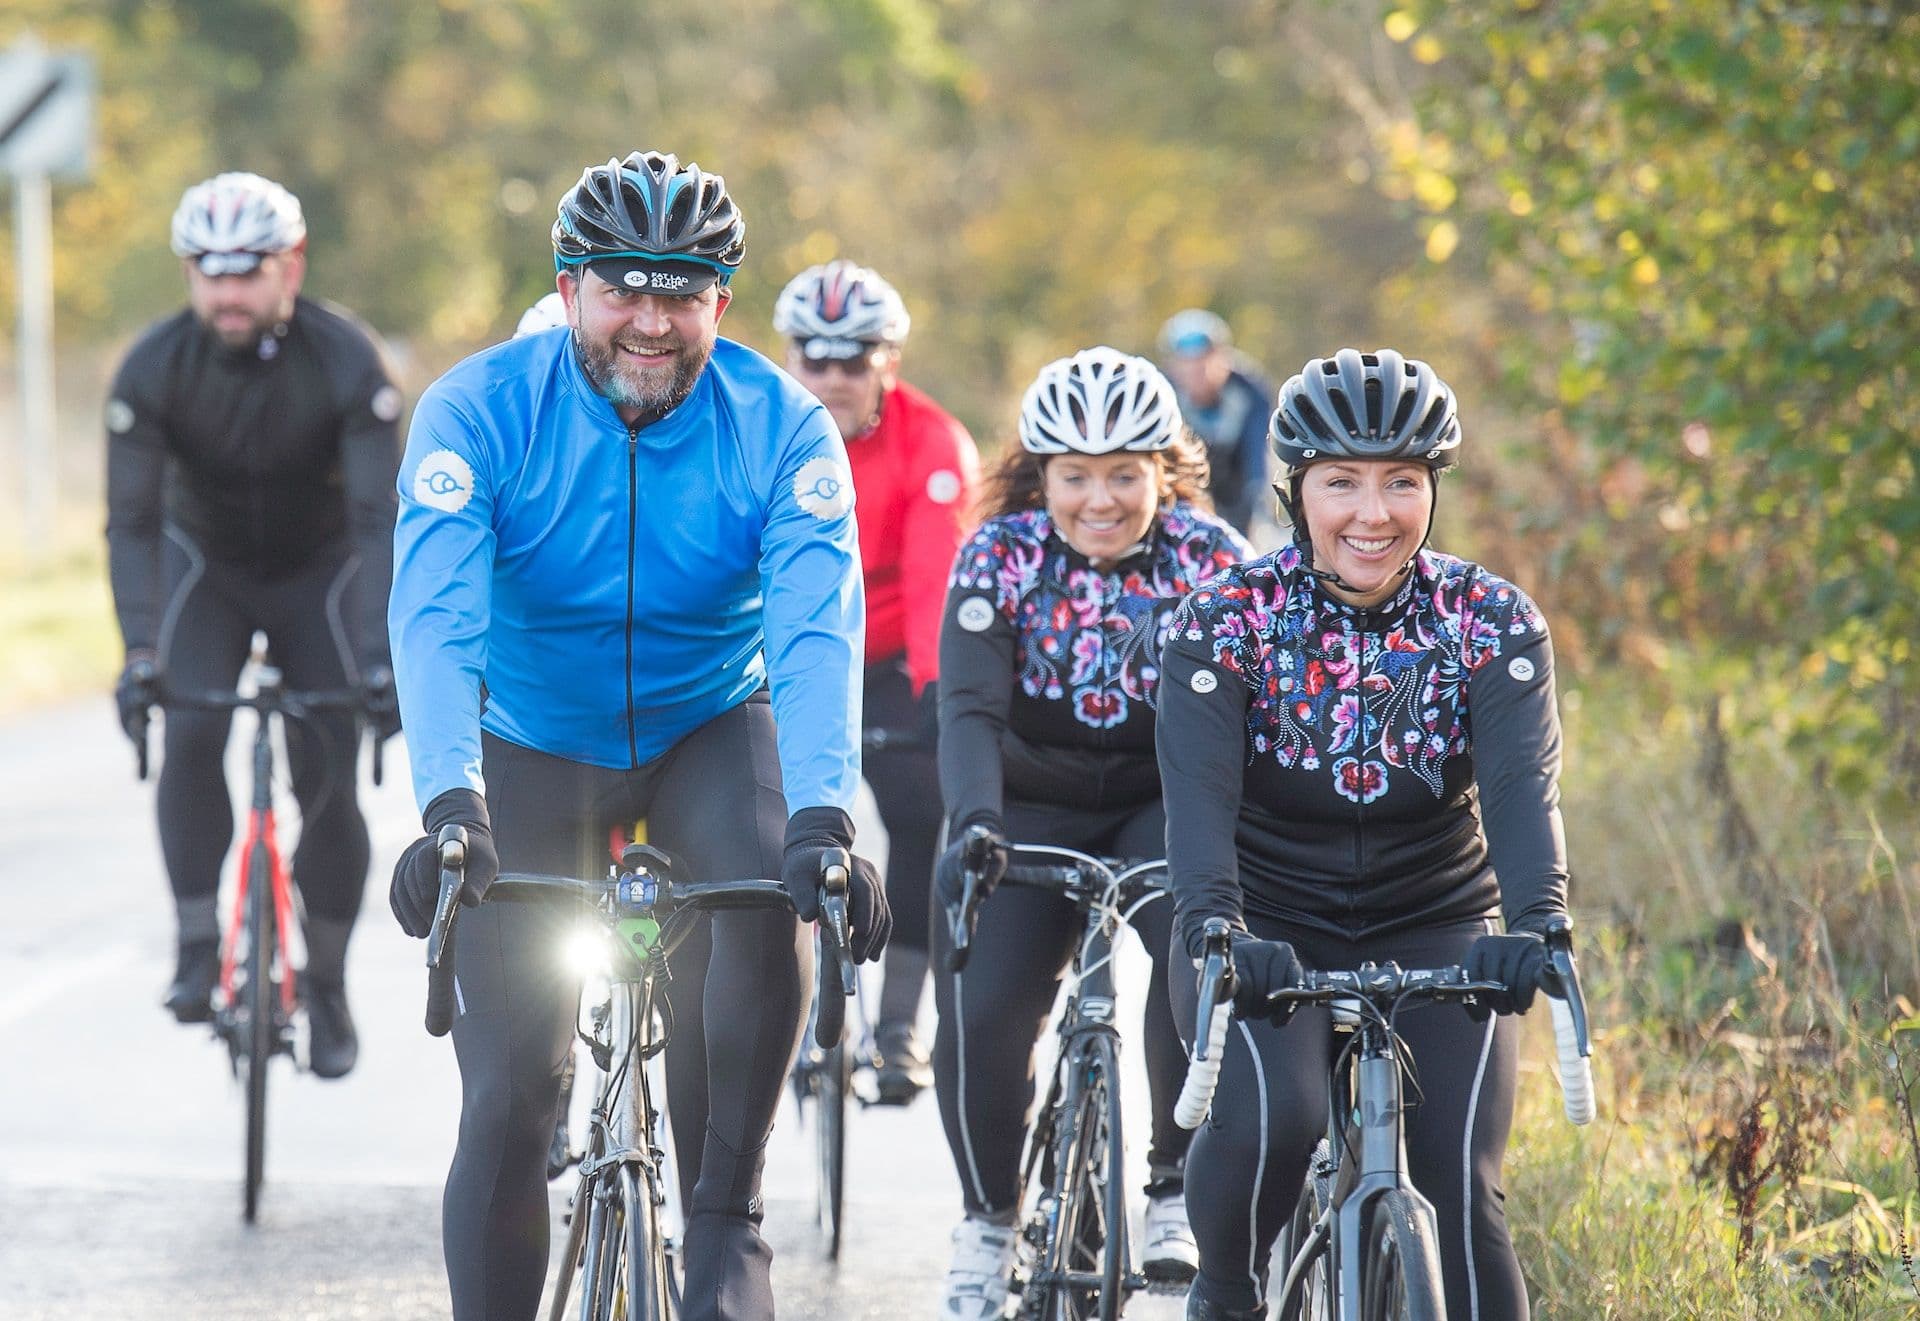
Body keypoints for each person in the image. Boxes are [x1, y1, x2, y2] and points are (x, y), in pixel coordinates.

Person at [384, 150, 892, 1321]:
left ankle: (724, 1218)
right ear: (569, 288)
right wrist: (449, 805)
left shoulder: (782, 427)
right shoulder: (478, 410)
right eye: (624, 286)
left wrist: (826, 817)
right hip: (529, 738)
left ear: (723, 299)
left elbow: (817, 630)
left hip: (709, 721)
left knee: (770, 906)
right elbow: (437, 619)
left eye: (684, 290)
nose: (652, 321)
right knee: (511, 1100)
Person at [1155, 349, 1570, 1320]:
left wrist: (1540, 920)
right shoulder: (1223, 622)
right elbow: (1198, 801)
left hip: (1437, 912)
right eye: (1342, 482)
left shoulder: (1494, 621)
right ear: (1297, 492)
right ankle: (1223, 1295)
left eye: (1402, 482)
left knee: (1461, 1183)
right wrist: (1216, 926)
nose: (1372, 514)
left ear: (1435, 489)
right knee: (1276, 1116)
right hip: (1262, 917)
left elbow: (1519, 787)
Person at [930, 347, 1252, 1319]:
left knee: (1194, 958)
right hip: (1030, 797)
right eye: (1076, 475)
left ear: (1165, 471)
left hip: (1162, 793)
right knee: (983, 1012)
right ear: (1043, 476)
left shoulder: (1211, 558)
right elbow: (970, 712)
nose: (1100, 499)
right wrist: (978, 824)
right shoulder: (998, 555)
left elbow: (1248, 717)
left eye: (1125, 474)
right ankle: (989, 1218)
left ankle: (1166, 1185)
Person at [106, 171, 401, 1078]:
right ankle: (200, 944)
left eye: (248, 269)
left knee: (327, 771)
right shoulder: (154, 366)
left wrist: (384, 657)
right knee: (192, 728)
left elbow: (377, 520)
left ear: (291, 266)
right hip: (211, 569)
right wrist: (142, 649)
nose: (227, 290)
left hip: (321, 571)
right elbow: (134, 522)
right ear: (190, 273)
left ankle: (331, 982)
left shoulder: (347, 360)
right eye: (210, 269)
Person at [772, 258, 981, 1103]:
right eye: (813, 359)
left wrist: (940, 695)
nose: (831, 378)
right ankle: (781, 1014)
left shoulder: (935, 443)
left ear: (886, 362)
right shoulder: (762, 424)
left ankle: (897, 1028)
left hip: (893, 654)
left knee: (923, 810)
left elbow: (938, 574)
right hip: (780, 646)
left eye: (851, 361)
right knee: (765, 823)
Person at [1157, 309, 1275, 540]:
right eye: (1186, 362)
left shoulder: (1250, 393)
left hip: (1237, 491)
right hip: (1185, 494)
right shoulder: (1162, 397)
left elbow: (1257, 461)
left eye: (1204, 359)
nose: (1196, 370)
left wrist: (1257, 504)